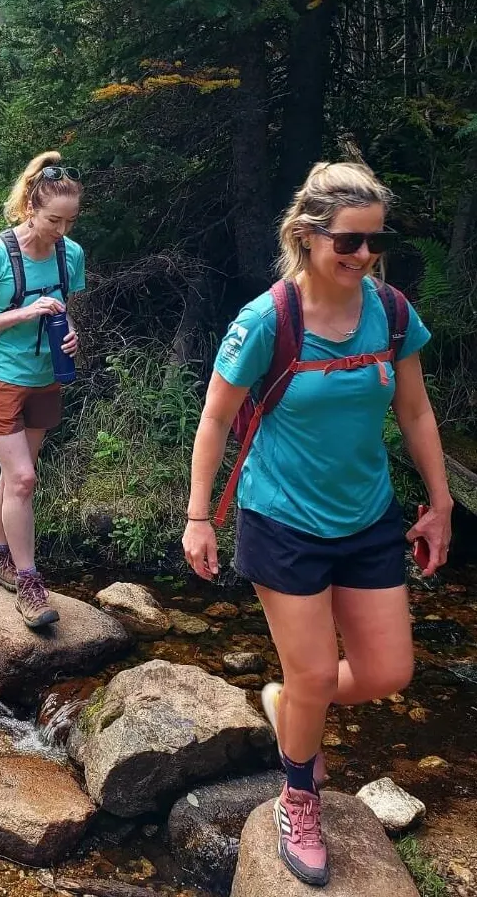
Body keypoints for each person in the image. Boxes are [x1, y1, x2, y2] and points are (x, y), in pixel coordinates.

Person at [183, 161, 452, 887]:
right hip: (283, 522)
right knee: (310, 673)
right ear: (307, 238)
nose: (364, 256)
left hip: (367, 518)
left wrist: (440, 500)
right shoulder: (268, 320)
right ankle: (297, 796)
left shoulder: (391, 312)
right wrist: (198, 516)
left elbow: (416, 410)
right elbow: (213, 419)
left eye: (374, 242)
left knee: (388, 671)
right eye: (349, 243)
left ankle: (288, 703)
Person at [0, 151, 85, 628]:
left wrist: (72, 333)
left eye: (70, 221)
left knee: (17, 478)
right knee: (25, 479)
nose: (63, 231)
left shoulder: (70, 255)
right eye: (55, 220)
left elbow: (64, 309)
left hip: (45, 376)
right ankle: (28, 581)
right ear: (30, 207)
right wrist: (23, 314)